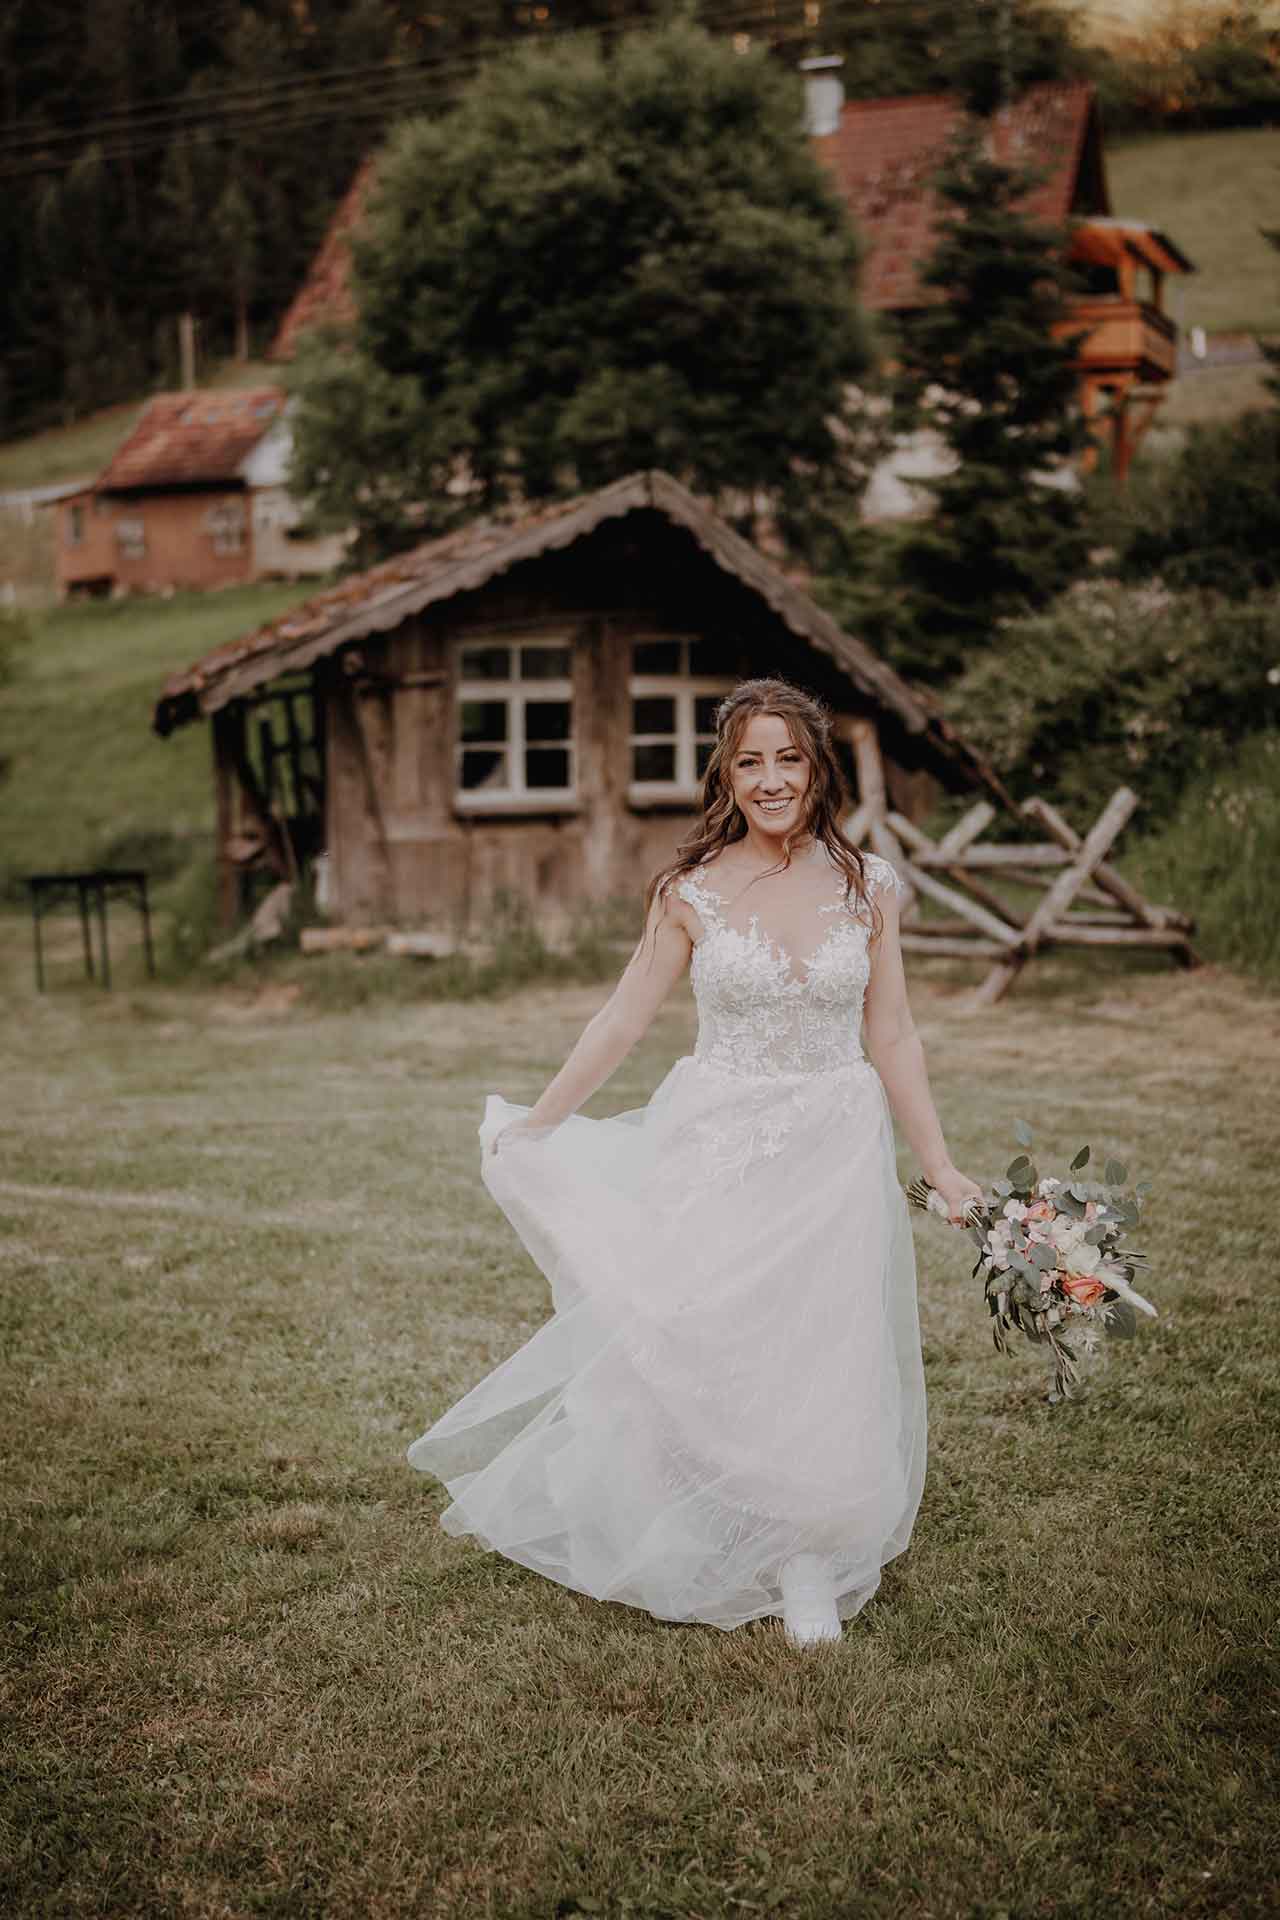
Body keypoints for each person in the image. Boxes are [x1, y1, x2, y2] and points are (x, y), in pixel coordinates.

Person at [408, 677, 983, 1647]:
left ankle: (803, 1552)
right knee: (709, 1332)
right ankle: (704, 1509)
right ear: (726, 774)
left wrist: (938, 1164)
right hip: (717, 1137)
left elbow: (891, 1035)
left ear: (816, 768)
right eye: (748, 761)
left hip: (834, 1141)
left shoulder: (870, 887)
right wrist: (541, 1121)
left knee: (818, 1343)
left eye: (786, 759)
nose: (768, 780)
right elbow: (624, 1015)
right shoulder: (692, 892)